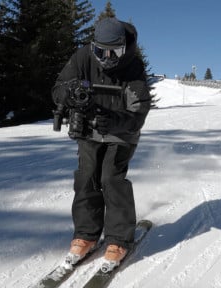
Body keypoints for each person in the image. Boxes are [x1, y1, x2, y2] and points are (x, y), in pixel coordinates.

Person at [51, 17, 152, 269]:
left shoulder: (132, 66)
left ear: (123, 47)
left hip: (122, 131)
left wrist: (115, 121)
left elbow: (138, 112)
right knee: (86, 178)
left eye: (113, 52)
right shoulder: (83, 57)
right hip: (88, 129)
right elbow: (57, 89)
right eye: (100, 51)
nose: (106, 58)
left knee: (110, 179)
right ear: (92, 45)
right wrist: (68, 92)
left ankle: (119, 238)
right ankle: (85, 235)